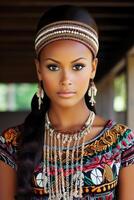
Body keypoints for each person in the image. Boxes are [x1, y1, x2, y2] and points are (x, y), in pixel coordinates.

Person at [0, 5, 134, 200]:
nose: (66, 79)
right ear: (39, 69)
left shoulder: (121, 141)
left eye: (78, 66)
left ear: (93, 68)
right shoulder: (11, 142)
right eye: (53, 66)